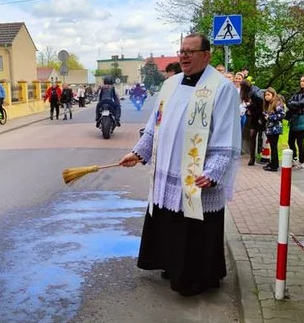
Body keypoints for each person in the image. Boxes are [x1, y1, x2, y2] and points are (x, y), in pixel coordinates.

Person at [119, 33, 241, 297]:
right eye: (181, 51)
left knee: (193, 228)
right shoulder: (171, 84)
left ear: (206, 55)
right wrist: (139, 152)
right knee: (170, 222)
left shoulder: (221, 89)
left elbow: (227, 134)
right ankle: (169, 265)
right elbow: (155, 123)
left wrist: (214, 170)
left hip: (198, 175)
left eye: (190, 51)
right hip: (167, 170)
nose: (183, 56)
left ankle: (196, 278)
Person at [286, 75, 304, 167]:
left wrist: (293, 104)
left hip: (302, 118)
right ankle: (294, 159)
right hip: (294, 117)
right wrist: (293, 104)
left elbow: (302, 103)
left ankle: (301, 161)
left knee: (300, 141)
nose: (302, 83)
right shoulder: (298, 91)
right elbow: (289, 102)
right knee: (290, 141)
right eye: (301, 81)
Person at [240, 79, 264, 165]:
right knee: (252, 137)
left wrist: (249, 108)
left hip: (258, 117)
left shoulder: (255, 95)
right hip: (255, 117)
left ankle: (254, 157)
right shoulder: (254, 91)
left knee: (254, 137)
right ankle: (252, 157)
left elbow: (261, 107)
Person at [262, 88, 285, 172]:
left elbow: (282, 115)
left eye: (268, 95)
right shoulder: (268, 104)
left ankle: (274, 165)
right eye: (265, 95)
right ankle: (272, 162)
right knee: (272, 146)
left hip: (275, 129)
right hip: (269, 128)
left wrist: (270, 117)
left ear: (273, 94)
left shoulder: (277, 103)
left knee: (274, 146)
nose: (266, 97)